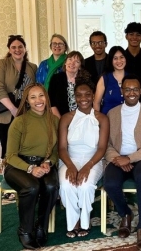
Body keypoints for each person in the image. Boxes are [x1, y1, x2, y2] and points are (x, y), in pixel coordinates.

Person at [103, 75, 141, 251]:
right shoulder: (112, 114)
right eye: (128, 89)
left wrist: (130, 158)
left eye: (135, 89)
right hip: (117, 157)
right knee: (110, 182)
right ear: (122, 91)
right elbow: (106, 143)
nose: (132, 92)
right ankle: (126, 214)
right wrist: (118, 159)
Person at [3, 83, 59, 250]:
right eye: (33, 97)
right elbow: (10, 156)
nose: (38, 100)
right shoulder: (19, 122)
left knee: (50, 185)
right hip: (18, 165)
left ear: (46, 97)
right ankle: (25, 231)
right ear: (27, 101)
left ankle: (40, 226)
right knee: (32, 186)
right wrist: (30, 168)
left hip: (43, 163)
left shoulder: (54, 120)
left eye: (41, 96)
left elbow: (56, 151)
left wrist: (49, 162)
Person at [58, 75, 109, 238]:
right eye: (79, 95)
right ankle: (74, 222)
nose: (83, 98)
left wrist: (87, 167)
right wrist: (72, 167)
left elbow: (102, 148)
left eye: (87, 94)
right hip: (68, 159)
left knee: (85, 186)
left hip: (94, 160)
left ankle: (85, 221)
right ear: (75, 97)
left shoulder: (102, 118)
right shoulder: (66, 118)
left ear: (93, 95)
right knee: (67, 185)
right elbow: (62, 147)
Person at [0, 35, 37, 161]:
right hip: (6, 110)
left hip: (26, 111)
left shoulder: (32, 67)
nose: (17, 50)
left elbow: (35, 89)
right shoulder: (1, 64)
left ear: (25, 49)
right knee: (7, 145)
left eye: (20, 46)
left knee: (24, 145)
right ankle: (7, 172)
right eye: (13, 47)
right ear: (9, 49)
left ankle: (23, 171)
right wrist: (13, 109)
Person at [48, 51, 90, 118]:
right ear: (65, 63)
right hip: (60, 118)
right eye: (70, 59)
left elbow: (89, 102)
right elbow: (51, 103)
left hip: (82, 119)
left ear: (80, 67)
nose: (72, 63)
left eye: (77, 62)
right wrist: (62, 122)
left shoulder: (85, 80)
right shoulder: (56, 78)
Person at [93, 46, 127, 114]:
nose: (119, 61)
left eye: (122, 57)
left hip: (128, 120)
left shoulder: (132, 78)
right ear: (111, 60)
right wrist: (98, 121)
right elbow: (96, 103)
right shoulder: (105, 78)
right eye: (115, 58)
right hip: (108, 120)